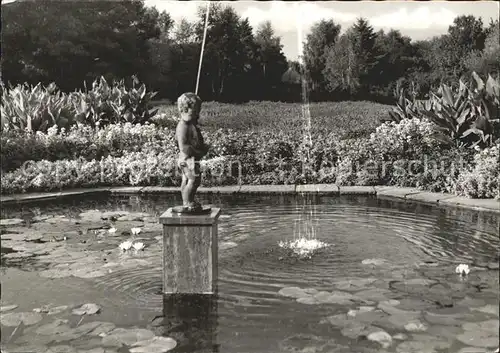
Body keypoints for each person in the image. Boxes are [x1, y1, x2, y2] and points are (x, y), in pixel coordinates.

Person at [176, 92, 209, 211]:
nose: (197, 114)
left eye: (198, 111)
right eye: (194, 111)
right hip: (187, 158)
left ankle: (188, 200)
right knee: (193, 179)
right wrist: (199, 152)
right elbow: (184, 147)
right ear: (184, 109)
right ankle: (187, 202)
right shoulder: (183, 127)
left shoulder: (189, 124)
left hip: (190, 158)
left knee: (188, 179)